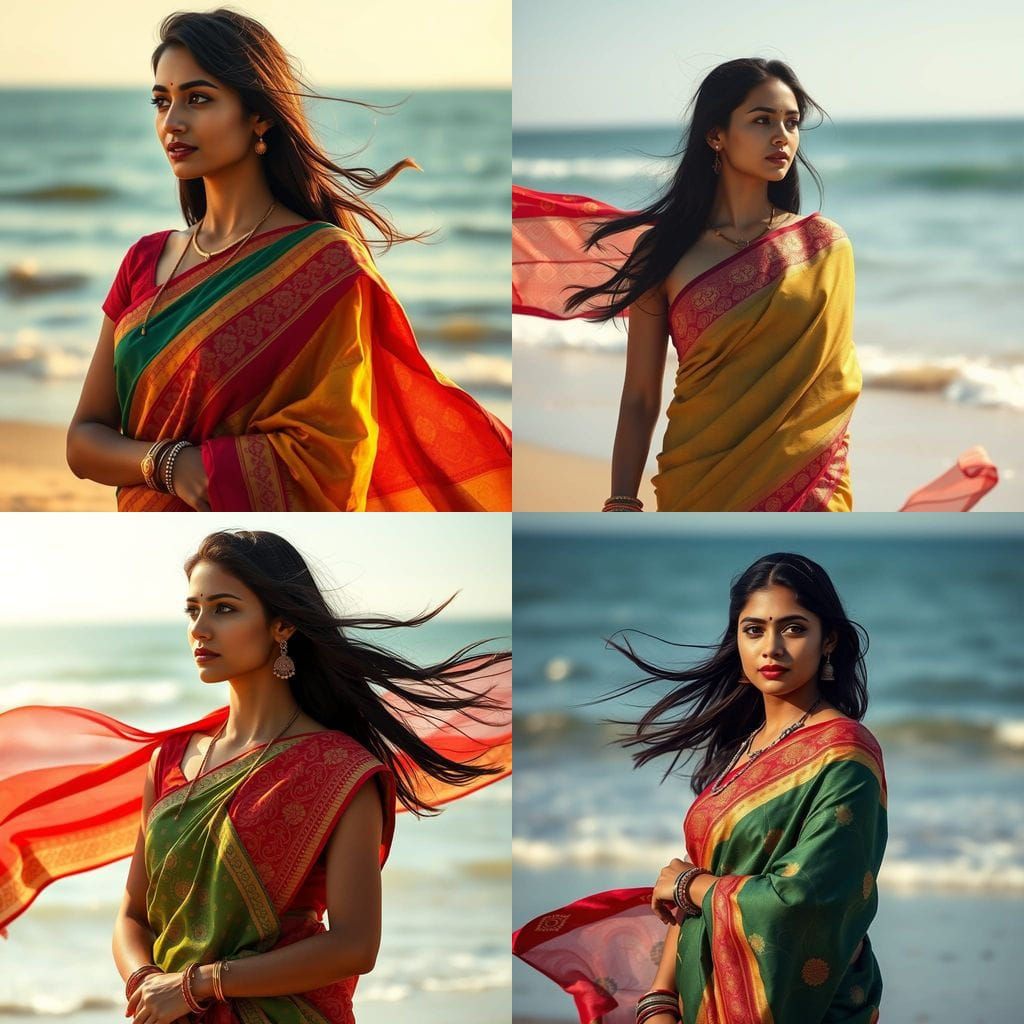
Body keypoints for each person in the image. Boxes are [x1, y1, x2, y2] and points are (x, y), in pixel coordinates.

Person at [0, 530, 511, 1023]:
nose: (200, 628)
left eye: (224, 609)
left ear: (282, 625)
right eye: (192, 609)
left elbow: (355, 946)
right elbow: (133, 914)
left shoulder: (341, 769)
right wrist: (145, 983)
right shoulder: (172, 760)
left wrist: (197, 985)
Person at [66, 9, 511, 511]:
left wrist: (204, 469)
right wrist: (169, 464)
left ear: (260, 115)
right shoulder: (143, 261)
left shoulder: (324, 264)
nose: (173, 122)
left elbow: (334, 457)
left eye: (198, 98)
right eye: (161, 101)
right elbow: (83, 442)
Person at [511, 58, 997, 512]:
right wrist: (620, 502)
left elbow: (834, 383)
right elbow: (639, 394)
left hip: (810, 484)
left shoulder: (824, 246)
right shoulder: (663, 253)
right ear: (717, 135)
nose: (782, 136)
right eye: (762, 120)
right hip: (699, 480)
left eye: (791, 122)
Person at [513, 552, 886, 1024]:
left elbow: (809, 899)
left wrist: (693, 885)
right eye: (754, 630)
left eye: (793, 628)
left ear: (828, 638)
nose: (771, 647)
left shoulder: (845, 752)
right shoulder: (745, 746)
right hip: (697, 998)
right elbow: (689, 892)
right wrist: (660, 1000)